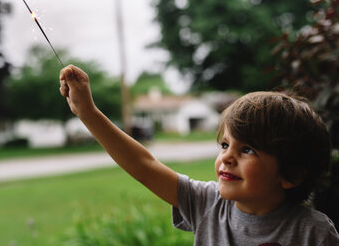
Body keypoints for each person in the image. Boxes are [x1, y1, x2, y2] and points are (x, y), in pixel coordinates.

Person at [59, 65, 339, 245]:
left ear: (290, 174)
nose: (228, 158)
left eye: (247, 149)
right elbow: (144, 166)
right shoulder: (207, 204)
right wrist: (88, 113)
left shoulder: (314, 233)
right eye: (225, 145)